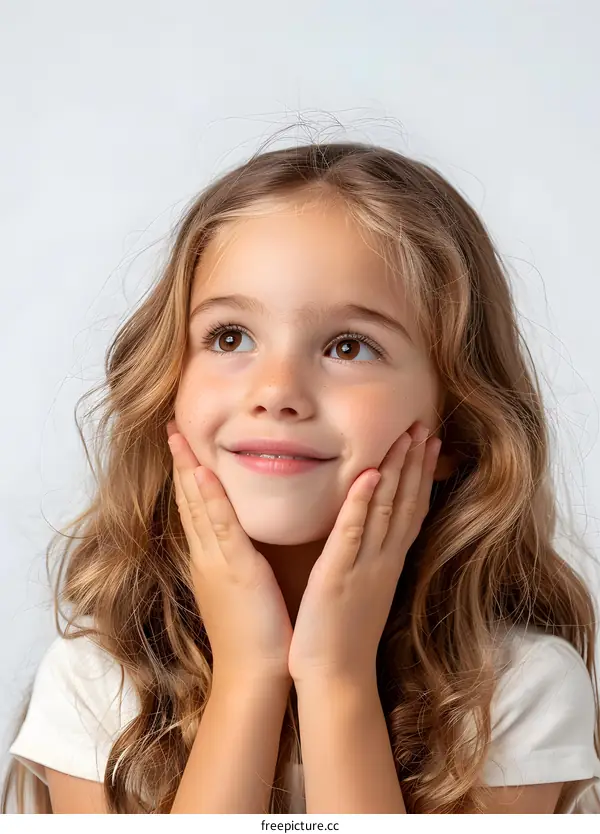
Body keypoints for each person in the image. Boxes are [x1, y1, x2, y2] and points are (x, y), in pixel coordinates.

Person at [3, 140, 600, 814]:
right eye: (230, 337)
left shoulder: (517, 691)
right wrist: (248, 678)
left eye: (348, 345)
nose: (276, 390)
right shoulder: (99, 687)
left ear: (456, 433)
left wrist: (335, 677)